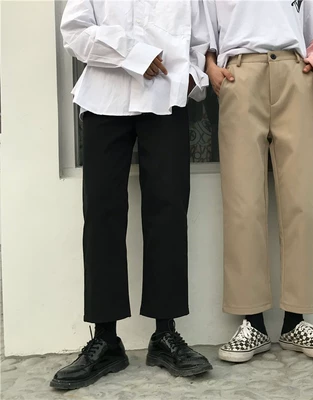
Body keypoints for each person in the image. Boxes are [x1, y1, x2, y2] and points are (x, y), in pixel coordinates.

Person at [50, 0, 212, 390]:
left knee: (168, 210)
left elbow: (200, 41)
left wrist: (192, 78)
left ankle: (165, 334)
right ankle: (105, 339)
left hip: (165, 100)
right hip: (105, 98)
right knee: (102, 214)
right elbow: (74, 32)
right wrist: (134, 54)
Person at [204, 0, 313, 362]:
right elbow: (203, 31)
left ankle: (297, 319)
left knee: (302, 201)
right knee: (243, 203)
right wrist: (210, 67)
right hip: (239, 75)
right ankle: (252, 322)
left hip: (295, 73)